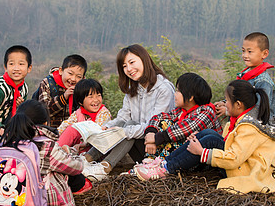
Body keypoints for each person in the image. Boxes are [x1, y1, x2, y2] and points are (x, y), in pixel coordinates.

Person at [135, 80, 275, 194]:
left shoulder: (249, 128)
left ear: (239, 105)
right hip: (242, 164)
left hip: (247, 170)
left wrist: (202, 152)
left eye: (227, 101)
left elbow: (235, 157)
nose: (224, 104)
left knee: (210, 139)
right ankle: (162, 163)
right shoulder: (238, 122)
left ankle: (166, 169)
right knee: (207, 134)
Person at [82, 44, 175, 181]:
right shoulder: (134, 89)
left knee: (129, 127)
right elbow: (123, 116)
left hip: (156, 149)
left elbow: (156, 126)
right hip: (139, 145)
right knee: (125, 123)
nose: (129, 69)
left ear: (144, 59)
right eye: (124, 66)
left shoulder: (163, 89)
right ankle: (86, 159)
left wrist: (125, 131)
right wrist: (106, 127)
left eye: (132, 62)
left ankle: (103, 168)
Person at [0, 99, 92, 206]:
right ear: (45, 123)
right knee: (76, 176)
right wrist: (70, 151)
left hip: (10, 203)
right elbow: (77, 167)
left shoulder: (6, 142)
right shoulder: (46, 146)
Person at [143, 72, 222, 160]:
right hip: (185, 154)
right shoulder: (181, 110)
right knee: (165, 123)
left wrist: (155, 138)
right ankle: (151, 160)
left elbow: (185, 129)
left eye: (178, 91)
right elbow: (158, 117)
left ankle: (161, 164)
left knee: (177, 137)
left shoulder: (206, 112)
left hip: (201, 158)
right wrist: (151, 133)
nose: (175, 94)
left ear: (191, 97)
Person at [215, 32, 275, 122]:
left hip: (256, 128)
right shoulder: (245, 74)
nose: (245, 55)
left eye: (250, 52)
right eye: (243, 51)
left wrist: (228, 111)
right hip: (240, 125)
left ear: (264, 54)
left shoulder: (263, 82)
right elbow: (239, 97)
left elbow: (259, 111)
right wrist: (225, 103)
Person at [57, 79, 112, 152]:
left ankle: (59, 152)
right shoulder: (78, 113)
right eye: (91, 97)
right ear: (80, 102)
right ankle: (56, 150)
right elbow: (65, 125)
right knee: (71, 128)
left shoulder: (103, 113)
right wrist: (55, 135)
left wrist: (82, 144)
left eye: (98, 95)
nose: (96, 100)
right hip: (80, 146)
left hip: (96, 148)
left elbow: (97, 133)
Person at [35, 54, 88, 128]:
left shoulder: (82, 88)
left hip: (71, 133)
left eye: (78, 76)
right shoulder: (48, 83)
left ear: (83, 78)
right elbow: (44, 112)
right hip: (48, 132)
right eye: (70, 73)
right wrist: (64, 97)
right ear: (61, 71)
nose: (73, 79)